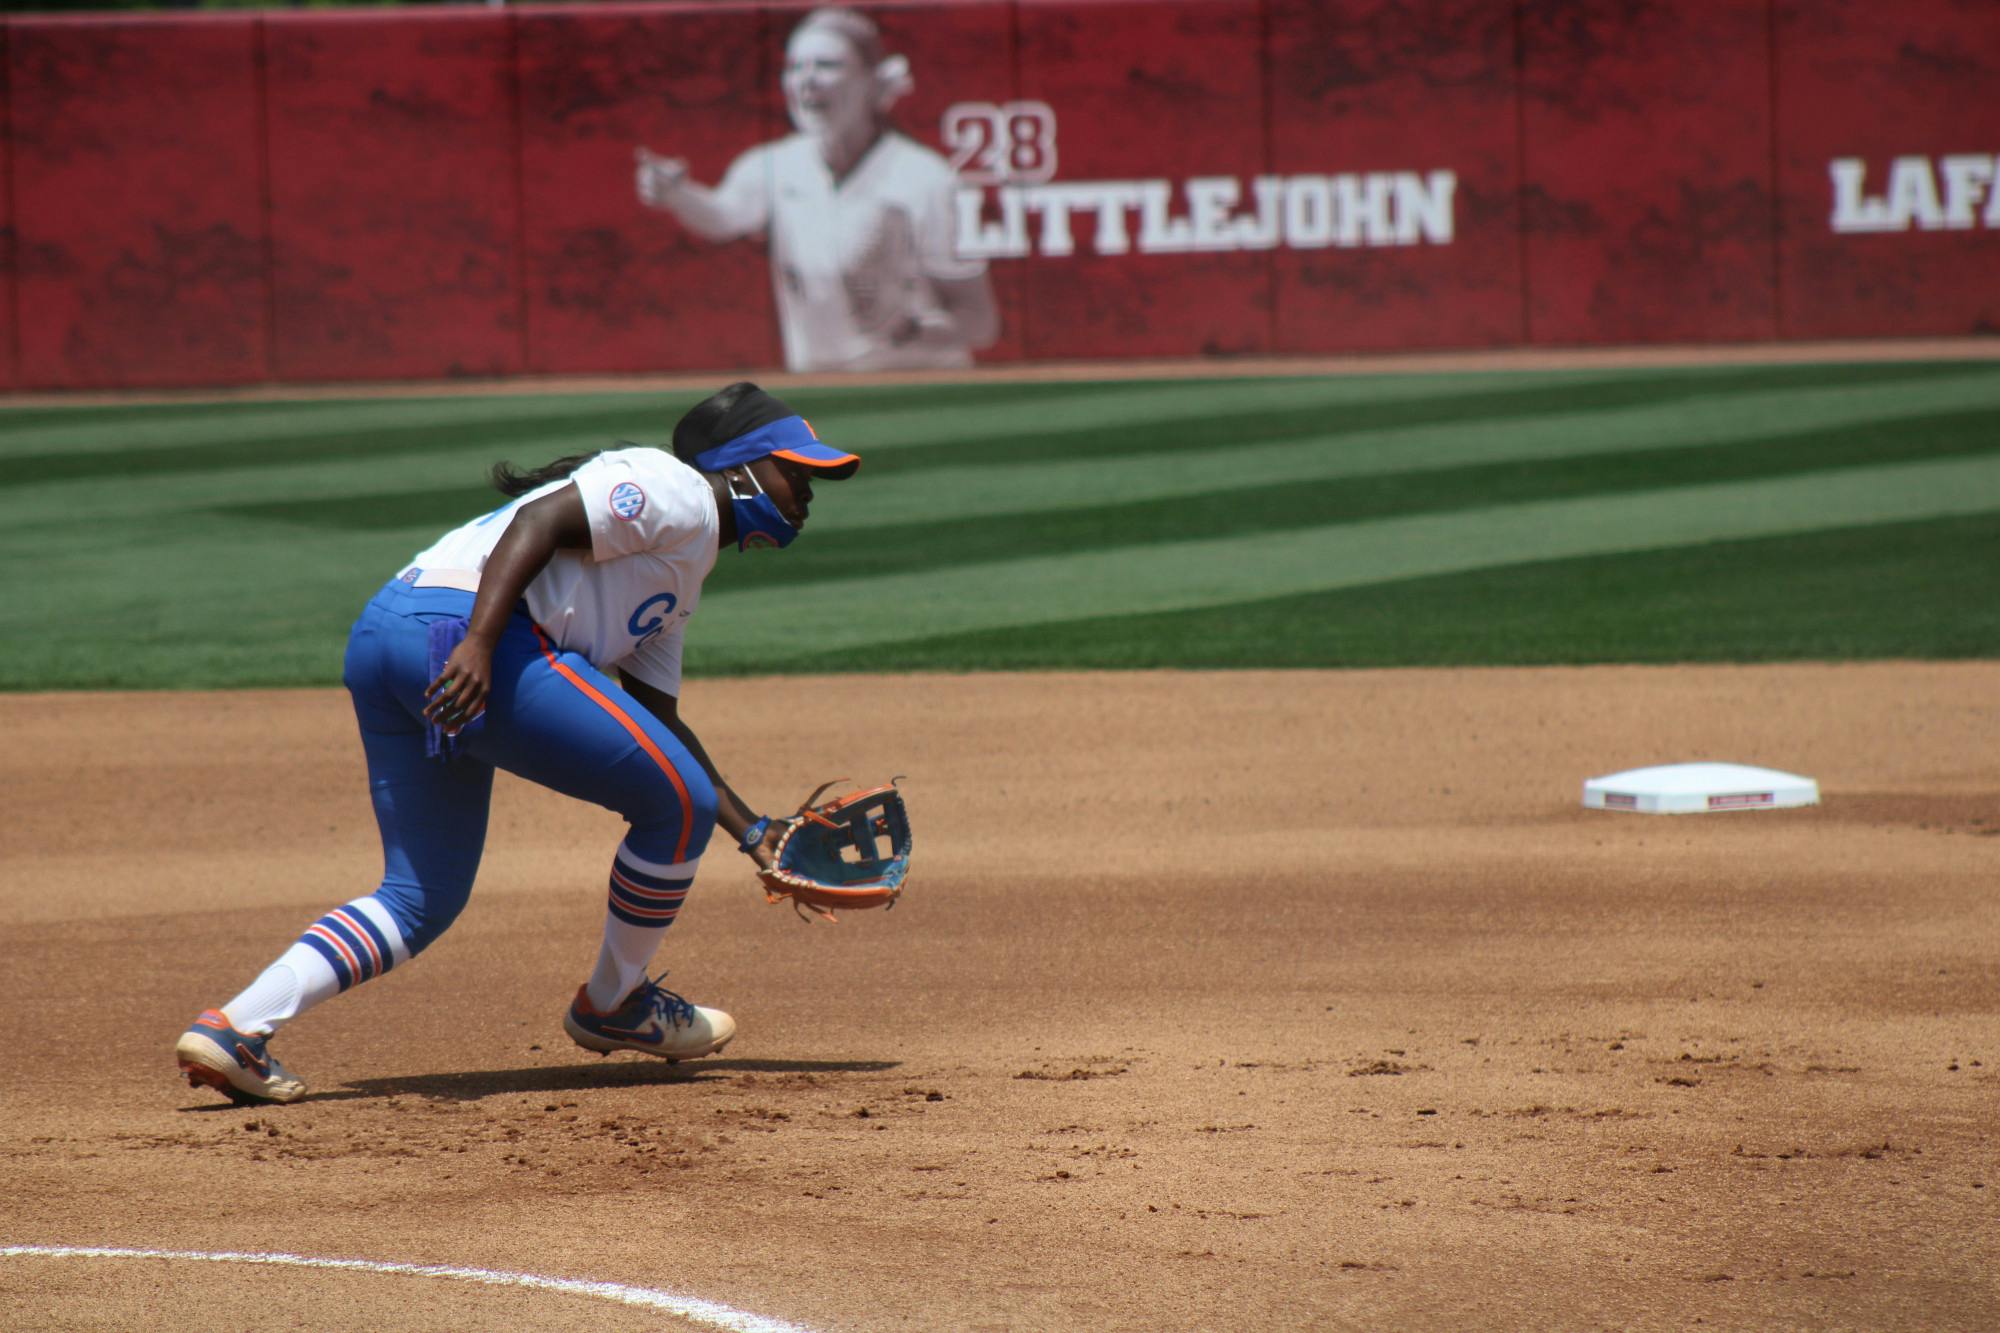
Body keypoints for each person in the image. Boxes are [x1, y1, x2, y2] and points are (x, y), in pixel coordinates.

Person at [175, 382, 861, 1104]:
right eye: (798, 471)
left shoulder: (683, 568)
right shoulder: (678, 487)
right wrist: (476, 642)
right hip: (472, 635)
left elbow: (662, 725)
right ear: (741, 467)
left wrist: (755, 831)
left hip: (387, 635)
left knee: (420, 896)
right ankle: (615, 1001)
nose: (808, 491)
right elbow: (540, 519)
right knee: (676, 805)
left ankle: (236, 1026)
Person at [635, 6, 998, 374]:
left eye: (827, 65)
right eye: (795, 67)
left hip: (913, 389)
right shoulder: (773, 165)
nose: (806, 79)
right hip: (820, 390)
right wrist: (677, 195)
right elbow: (721, 216)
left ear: (871, 81)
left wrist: (908, 329)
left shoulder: (925, 178)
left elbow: (980, 323)